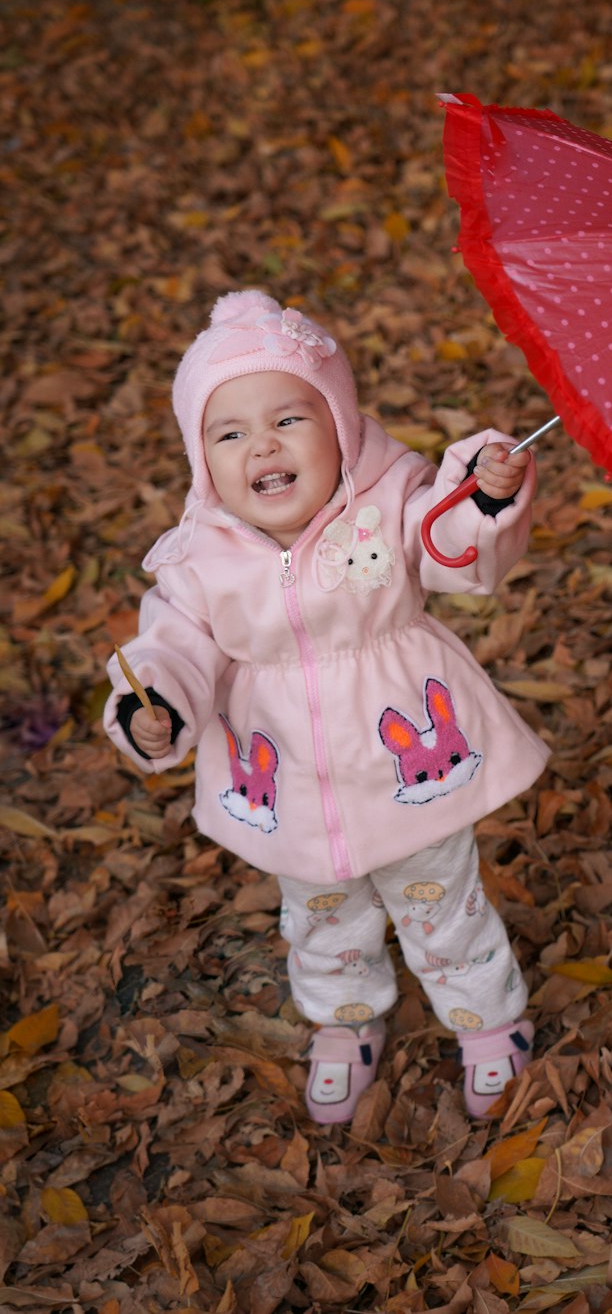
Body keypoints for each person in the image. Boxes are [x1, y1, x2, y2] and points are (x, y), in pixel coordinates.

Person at [104, 288, 549, 1125]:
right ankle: (346, 1024)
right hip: (289, 783)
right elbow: (174, 646)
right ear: (202, 460)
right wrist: (152, 703)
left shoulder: (386, 500)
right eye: (229, 433)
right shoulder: (201, 558)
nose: (261, 445)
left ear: (340, 427)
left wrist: (482, 496)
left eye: (289, 420)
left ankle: (489, 1021)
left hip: (410, 768)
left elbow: (445, 543)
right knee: (320, 917)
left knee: (442, 902)